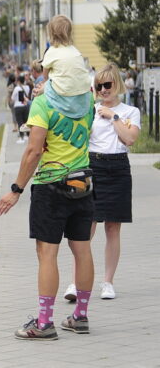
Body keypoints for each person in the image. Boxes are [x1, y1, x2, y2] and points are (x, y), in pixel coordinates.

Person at [0, 65, 95, 340]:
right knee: (83, 250)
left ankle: (44, 323)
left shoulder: (42, 104)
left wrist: (16, 189)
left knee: (47, 254)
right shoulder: (88, 103)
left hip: (51, 186)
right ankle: (80, 317)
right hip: (83, 183)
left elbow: (33, 151)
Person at [63, 63, 140, 302]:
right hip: (93, 166)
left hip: (118, 167)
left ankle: (108, 282)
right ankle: (76, 283)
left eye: (108, 85)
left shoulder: (130, 111)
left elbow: (129, 139)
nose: (104, 90)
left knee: (112, 227)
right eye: (99, 86)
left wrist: (114, 116)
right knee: (86, 226)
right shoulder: (90, 110)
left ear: (117, 83)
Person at [41, 15, 92, 121]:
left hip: (63, 96)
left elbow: (45, 76)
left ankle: (33, 121)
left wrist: (43, 88)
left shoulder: (51, 51)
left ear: (51, 33)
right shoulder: (76, 51)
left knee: (38, 93)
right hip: (81, 96)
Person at [11, 75, 31, 143]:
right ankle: (28, 136)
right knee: (26, 121)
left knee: (20, 122)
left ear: (19, 81)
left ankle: (21, 137)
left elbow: (13, 98)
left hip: (18, 106)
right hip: (25, 106)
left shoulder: (16, 88)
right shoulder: (27, 87)